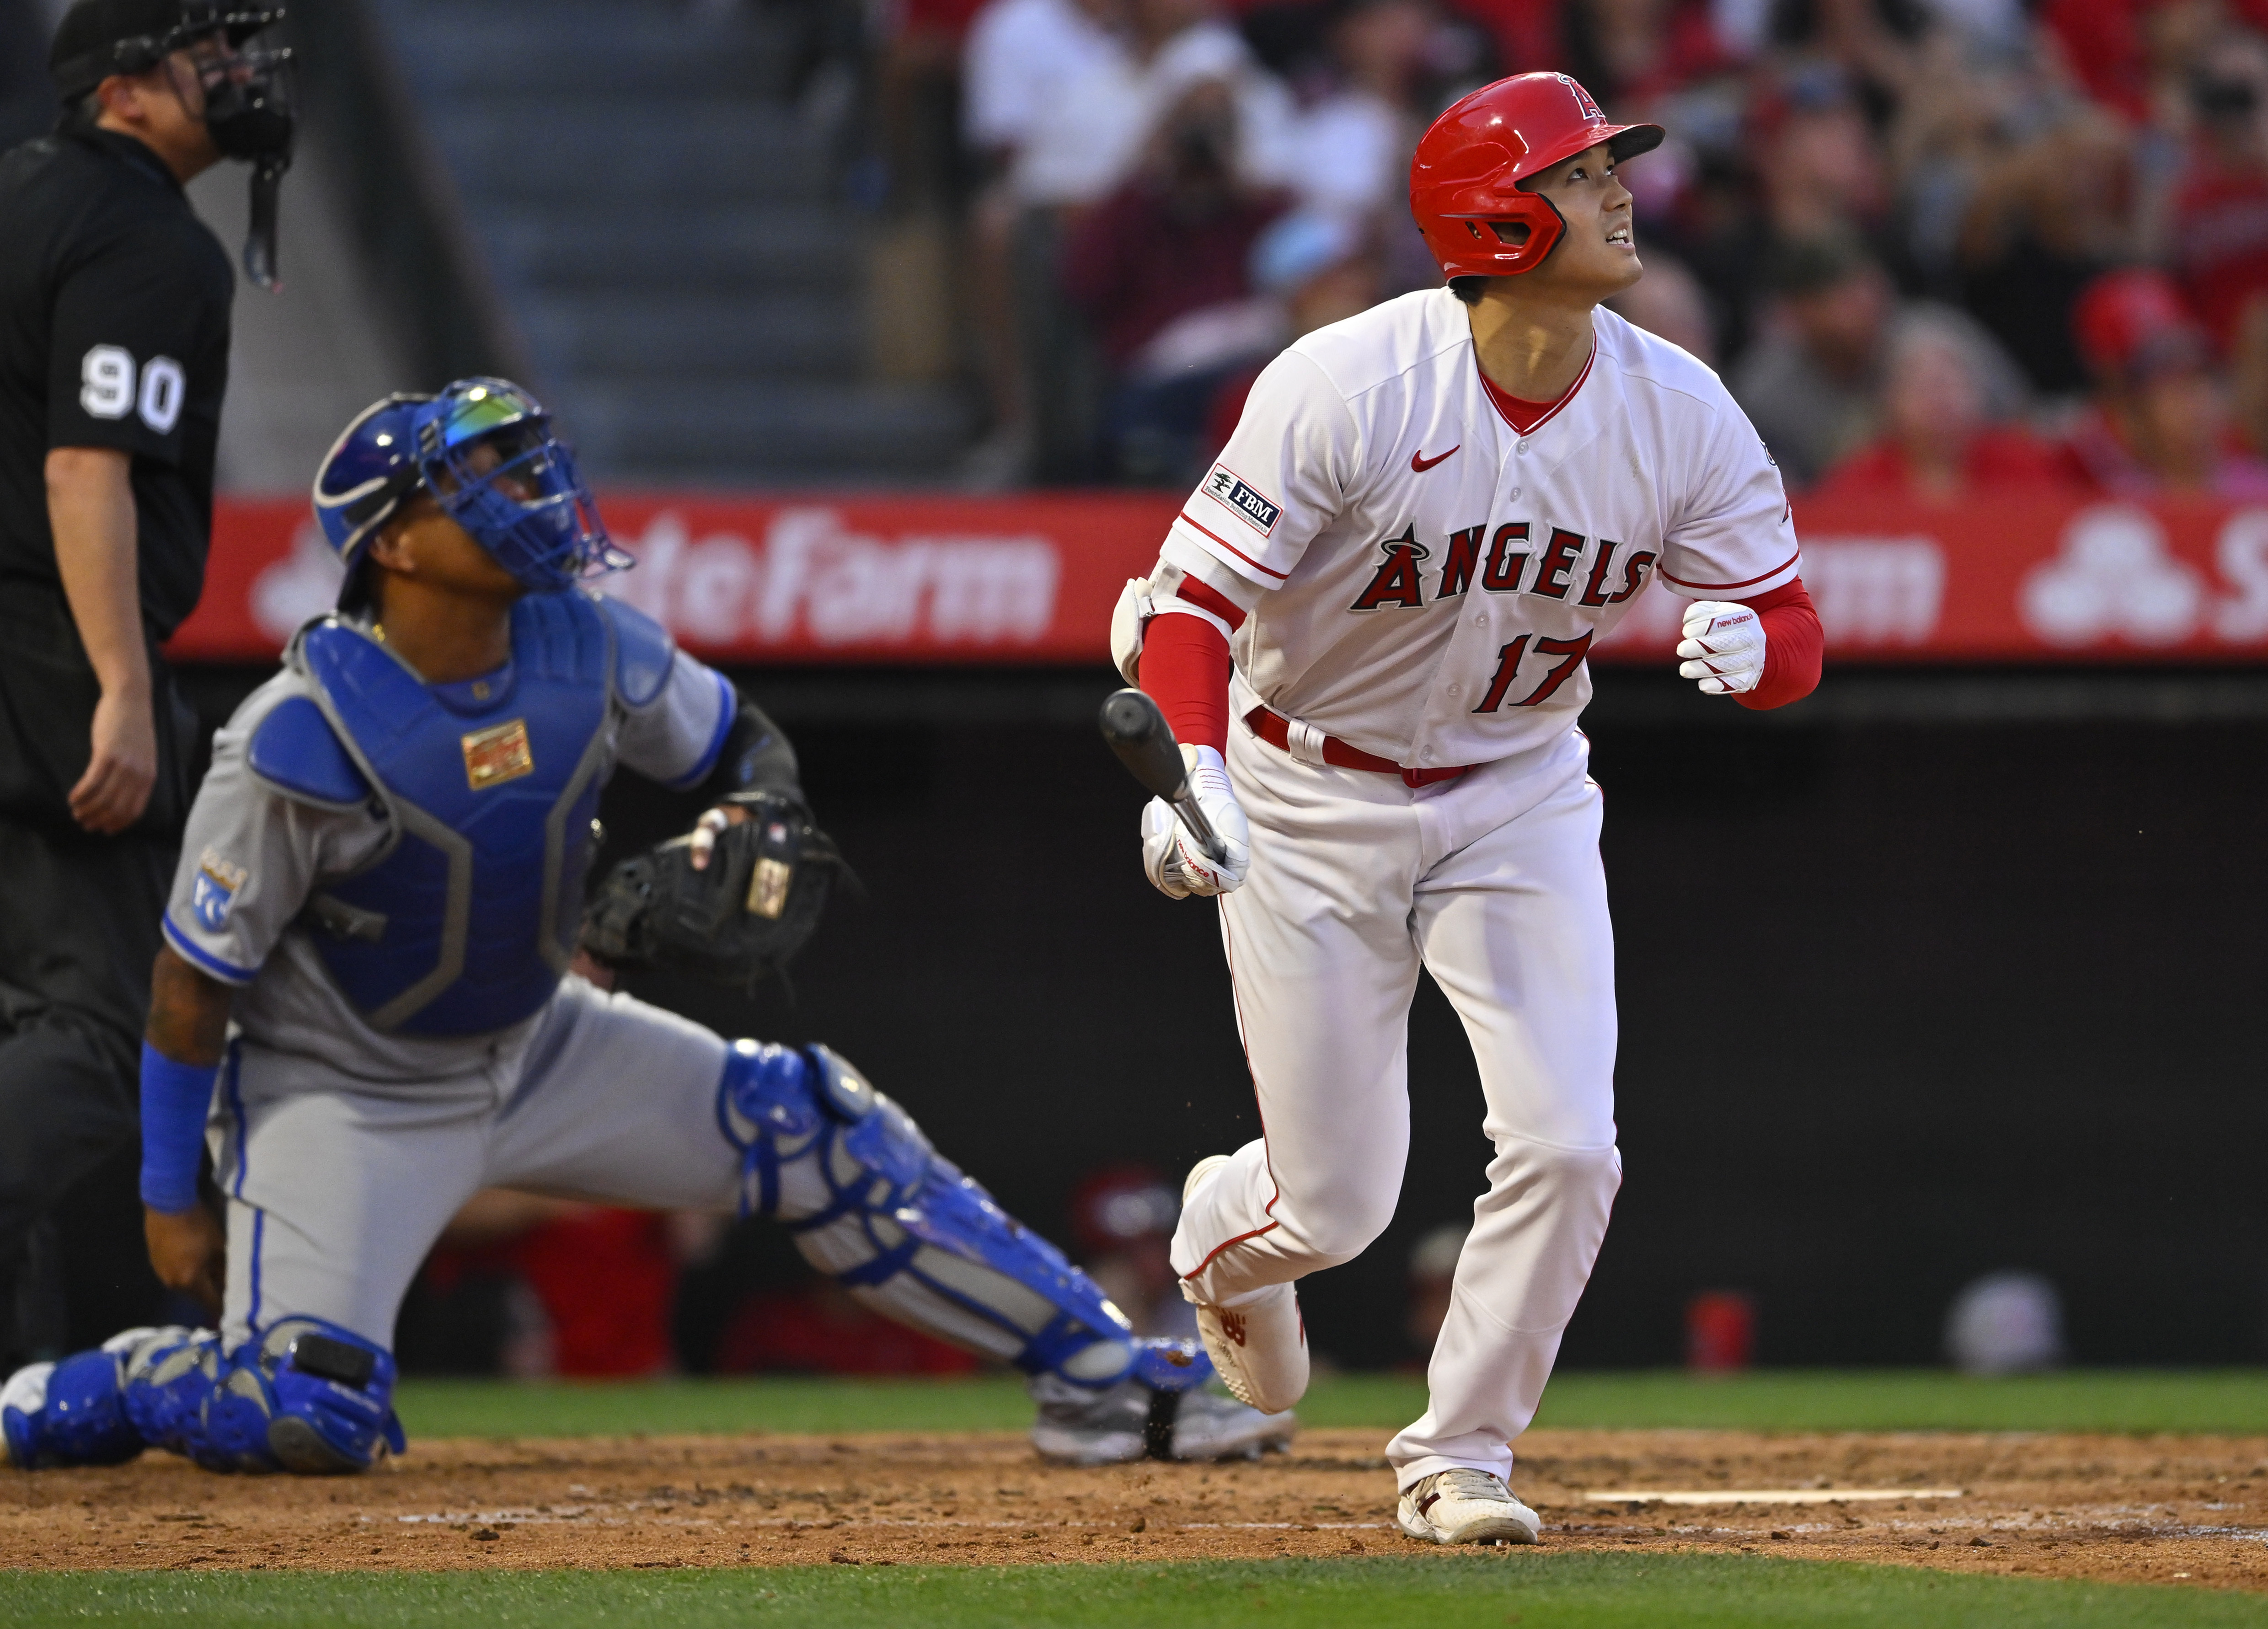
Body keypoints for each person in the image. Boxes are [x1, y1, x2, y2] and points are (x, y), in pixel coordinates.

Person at [0, 378, 1294, 1476]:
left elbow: (742, 745)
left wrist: (760, 816)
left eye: (524, 463)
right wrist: (172, 1192)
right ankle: (125, 1380)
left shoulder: (593, 645)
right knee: (311, 1413)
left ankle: (1108, 1382)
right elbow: (187, 984)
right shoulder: (298, 735)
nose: (530, 491)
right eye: (480, 480)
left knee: (813, 1124)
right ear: (390, 544)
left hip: (537, 1039)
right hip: (343, 1087)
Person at [1108, 72, 1823, 1545]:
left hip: (1519, 788)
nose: (1618, 191)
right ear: (1496, 217)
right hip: (1309, 783)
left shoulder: (1675, 404)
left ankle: (1461, 1450)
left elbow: (1789, 622)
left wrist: (1759, 655)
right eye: (1577, 174)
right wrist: (1197, 774)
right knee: (1336, 1205)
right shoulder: (1350, 382)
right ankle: (1220, 1243)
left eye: (1611, 166)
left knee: (1570, 1143)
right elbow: (1186, 606)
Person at [0, 0, 293, 1372]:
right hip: (45, 644)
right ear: (124, 91)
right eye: (206, 56)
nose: (238, 77)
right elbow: (84, 464)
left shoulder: (13, 191)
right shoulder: (138, 235)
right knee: (104, 1026)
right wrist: (119, 682)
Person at [1810, 304, 2060, 501]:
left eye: (1952, 382)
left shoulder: (2025, 467)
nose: (1941, 399)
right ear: (1889, 400)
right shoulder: (1854, 485)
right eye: (1923, 385)